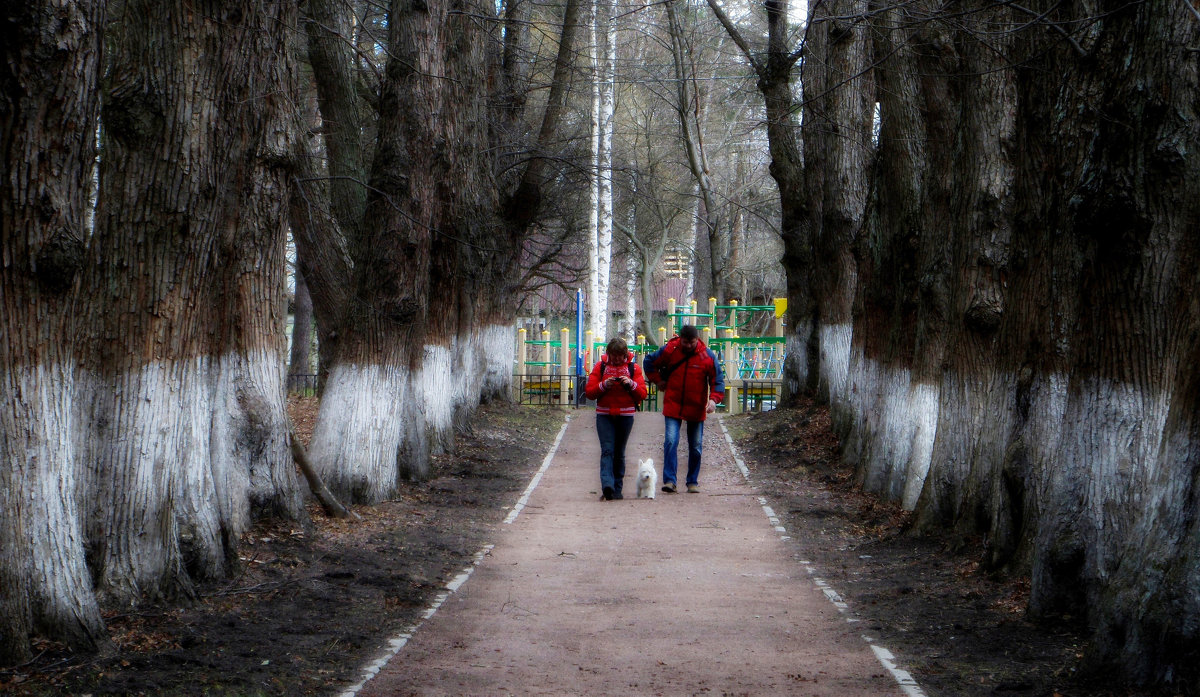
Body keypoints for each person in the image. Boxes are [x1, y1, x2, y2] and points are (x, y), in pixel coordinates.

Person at [643, 324, 724, 494]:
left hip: (696, 406)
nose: (688, 345)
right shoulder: (670, 350)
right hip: (674, 404)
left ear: (697, 340)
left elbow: (717, 380)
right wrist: (658, 381)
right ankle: (670, 481)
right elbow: (649, 361)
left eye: (691, 342)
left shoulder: (706, 356)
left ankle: (692, 481)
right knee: (671, 441)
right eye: (685, 342)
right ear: (680, 339)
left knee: (696, 446)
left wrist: (714, 400)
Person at [584, 337, 648, 500]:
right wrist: (604, 385)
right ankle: (607, 485)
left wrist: (630, 384)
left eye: (620, 356)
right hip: (604, 414)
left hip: (626, 415)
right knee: (607, 450)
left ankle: (617, 488)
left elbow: (642, 394)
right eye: (614, 356)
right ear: (608, 354)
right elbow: (590, 392)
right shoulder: (601, 367)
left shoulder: (634, 368)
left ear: (625, 354)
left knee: (619, 452)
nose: (617, 359)